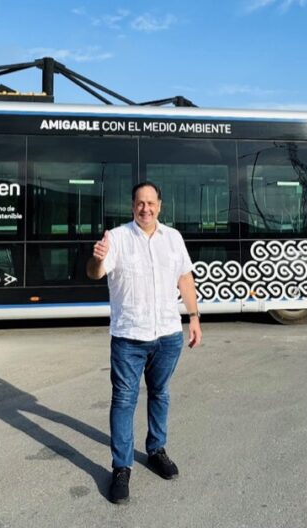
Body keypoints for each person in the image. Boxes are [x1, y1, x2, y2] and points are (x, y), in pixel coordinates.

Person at [87, 181, 202, 505]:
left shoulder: (173, 238)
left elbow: (184, 278)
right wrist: (97, 258)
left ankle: (156, 450)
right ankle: (121, 467)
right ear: (132, 206)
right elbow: (95, 273)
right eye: (140, 203)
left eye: (151, 203)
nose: (146, 208)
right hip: (129, 337)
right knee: (124, 401)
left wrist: (194, 317)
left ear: (160, 206)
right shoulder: (117, 238)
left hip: (168, 334)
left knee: (160, 393)